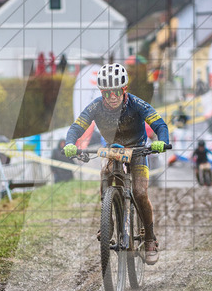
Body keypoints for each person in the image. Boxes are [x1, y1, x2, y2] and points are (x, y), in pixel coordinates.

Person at [63, 63, 169, 265]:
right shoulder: (95, 106)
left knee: (140, 192)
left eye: (117, 92)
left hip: (138, 149)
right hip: (114, 150)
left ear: (124, 89)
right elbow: (77, 126)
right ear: (101, 92)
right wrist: (70, 143)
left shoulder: (137, 104)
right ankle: (108, 221)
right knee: (106, 175)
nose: (112, 97)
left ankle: (149, 238)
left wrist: (162, 141)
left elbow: (159, 124)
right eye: (107, 93)